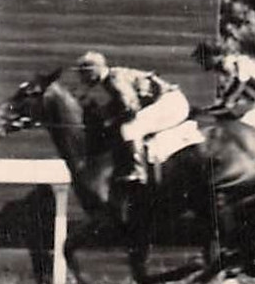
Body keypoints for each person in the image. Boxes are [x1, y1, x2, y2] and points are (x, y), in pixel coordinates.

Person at [73, 51, 191, 185]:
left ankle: (138, 171)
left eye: (83, 73)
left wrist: (110, 120)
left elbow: (131, 107)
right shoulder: (111, 78)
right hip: (165, 100)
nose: (81, 78)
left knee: (129, 128)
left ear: (95, 70)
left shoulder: (114, 80)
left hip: (170, 103)